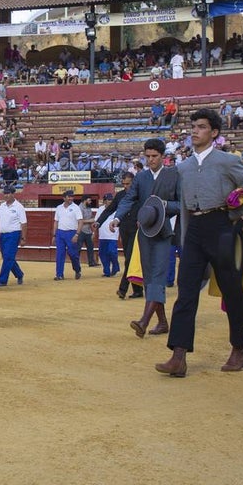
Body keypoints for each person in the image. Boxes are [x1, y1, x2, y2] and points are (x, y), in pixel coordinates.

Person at [159, 110, 243, 376]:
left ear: (214, 133)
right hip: (194, 229)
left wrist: (234, 216)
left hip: (221, 227)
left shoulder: (227, 161)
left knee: (232, 289)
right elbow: (183, 206)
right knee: (186, 291)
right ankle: (178, 355)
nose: (194, 131)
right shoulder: (182, 167)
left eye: (202, 127)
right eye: (193, 126)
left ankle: (240, 349)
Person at [109, 139, 181, 337]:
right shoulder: (141, 177)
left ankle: (144, 320)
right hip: (145, 233)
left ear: (163, 156)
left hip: (164, 232)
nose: (151, 160)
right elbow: (129, 199)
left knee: (157, 276)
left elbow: (182, 204)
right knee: (149, 278)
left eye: (155, 156)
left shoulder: (174, 175)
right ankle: (163, 322)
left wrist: (164, 205)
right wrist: (117, 218)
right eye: (148, 157)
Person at [97, 172, 144, 299]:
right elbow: (109, 210)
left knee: (129, 259)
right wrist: (98, 222)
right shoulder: (121, 195)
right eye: (123, 184)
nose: (126, 186)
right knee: (131, 259)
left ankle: (123, 289)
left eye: (128, 184)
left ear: (133, 182)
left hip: (138, 230)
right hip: (124, 230)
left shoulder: (141, 195)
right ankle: (138, 290)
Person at [0, 184, 27, 287]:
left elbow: (23, 223)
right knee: (7, 257)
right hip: (3, 235)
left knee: (8, 257)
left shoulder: (19, 207)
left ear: (13, 194)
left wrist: (23, 238)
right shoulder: (2, 205)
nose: (6, 195)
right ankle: (19, 274)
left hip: (14, 234)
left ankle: (2, 280)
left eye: (8, 193)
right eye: (5, 193)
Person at [51, 189, 82, 280]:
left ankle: (77, 269)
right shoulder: (59, 207)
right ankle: (59, 274)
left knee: (73, 254)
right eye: (69, 197)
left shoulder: (76, 208)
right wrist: (54, 235)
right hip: (60, 233)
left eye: (72, 196)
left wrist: (77, 234)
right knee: (59, 254)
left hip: (71, 233)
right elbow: (56, 222)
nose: (71, 198)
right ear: (64, 198)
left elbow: (80, 221)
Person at [75, 195, 98, 268]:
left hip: (88, 230)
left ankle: (91, 262)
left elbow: (91, 219)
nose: (90, 202)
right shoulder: (79, 208)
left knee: (90, 247)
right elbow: (79, 221)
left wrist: (93, 231)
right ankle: (76, 263)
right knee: (78, 248)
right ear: (85, 200)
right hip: (80, 230)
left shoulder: (88, 208)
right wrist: (90, 220)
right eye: (89, 200)